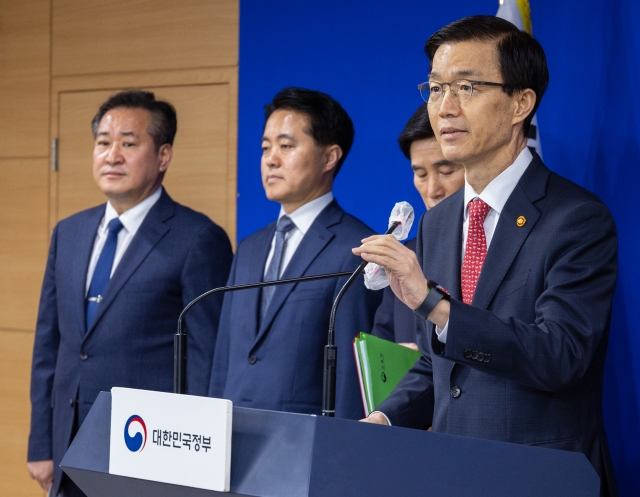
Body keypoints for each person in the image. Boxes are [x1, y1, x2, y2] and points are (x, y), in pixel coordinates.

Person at [354, 16, 617, 496]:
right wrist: (383, 419)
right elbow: (441, 363)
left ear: (521, 102)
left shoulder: (576, 218)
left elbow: (561, 355)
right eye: (435, 89)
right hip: (451, 475)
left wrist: (434, 303)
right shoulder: (438, 222)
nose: (445, 107)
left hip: (541, 479)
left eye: (467, 87)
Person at [27, 90, 233, 497]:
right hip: (68, 445)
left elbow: (206, 358)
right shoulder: (68, 233)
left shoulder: (197, 238)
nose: (111, 155)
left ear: (163, 156)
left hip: (147, 451)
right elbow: (49, 346)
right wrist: (40, 443)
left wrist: (196, 462)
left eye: (128, 143)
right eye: (103, 142)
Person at [208, 87, 381, 419]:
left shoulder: (358, 248)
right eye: (265, 147)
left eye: (286, 146)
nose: (271, 159)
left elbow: (350, 377)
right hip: (232, 441)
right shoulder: (249, 248)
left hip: (303, 448)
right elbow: (224, 360)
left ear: (330, 157)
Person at [371, 104, 464, 349]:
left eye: (446, 170)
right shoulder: (405, 257)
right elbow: (382, 348)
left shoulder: (491, 246)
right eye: (421, 175)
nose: (433, 190)